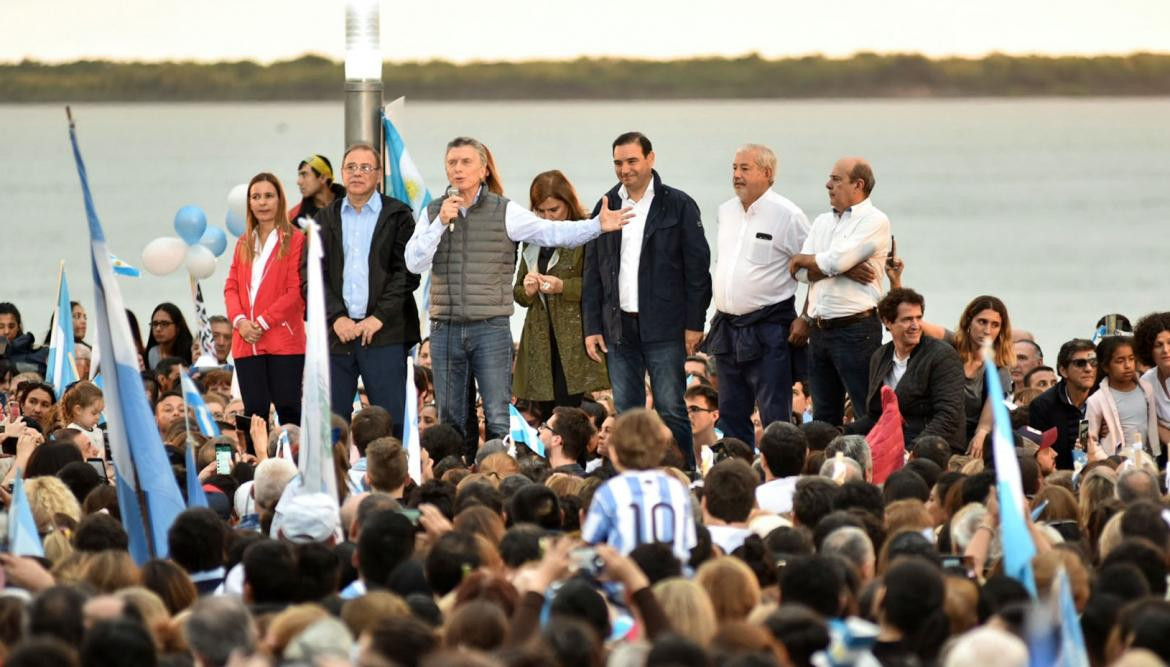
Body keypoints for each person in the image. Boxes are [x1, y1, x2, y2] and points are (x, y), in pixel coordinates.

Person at [405, 137, 630, 441]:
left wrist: (597, 226)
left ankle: (497, 473)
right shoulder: (434, 212)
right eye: (452, 163)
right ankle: (459, 474)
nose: (458, 169)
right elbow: (414, 262)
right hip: (444, 328)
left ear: (484, 170)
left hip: (490, 328)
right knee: (452, 415)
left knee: (498, 415)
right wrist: (440, 224)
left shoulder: (505, 211)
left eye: (466, 162)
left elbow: (552, 232)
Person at [582, 131, 712, 471]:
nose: (625, 169)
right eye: (618, 163)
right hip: (618, 326)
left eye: (632, 161)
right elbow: (594, 270)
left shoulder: (678, 204)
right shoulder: (606, 204)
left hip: (665, 325)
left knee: (670, 407)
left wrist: (694, 323)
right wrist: (592, 326)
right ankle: (632, 473)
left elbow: (698, 268)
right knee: (627, 410)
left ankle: (684, 473)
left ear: (650, 159)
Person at [705, 144, 809, 444]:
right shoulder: (725, 211)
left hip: (769, 327)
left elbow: (815, 271)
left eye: (744, 169)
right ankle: (738, 478)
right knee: (730, 411)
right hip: (727, 326)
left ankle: (779, 477)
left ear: (767, 173)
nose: (736, 175)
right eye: (734, 168)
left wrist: (806, 317)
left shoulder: (789, 215)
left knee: (774, 412)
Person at [318, 143, 421, 437]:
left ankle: (395, 480)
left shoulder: (398, 215)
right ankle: (335, 481)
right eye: (351, 167)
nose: (357, 173)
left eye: (365, 167)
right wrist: (337, 317)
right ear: (342, 173)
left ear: (378, 175)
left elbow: (408, 273)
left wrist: (378, 318)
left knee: (391, 424)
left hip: (384, 334)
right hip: (338, 336)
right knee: (332, 428)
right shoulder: (324, 218)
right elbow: (312, 276)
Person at [788, 157, 891, 427]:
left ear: (858, 185)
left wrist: (808, 260)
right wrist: (842, 268)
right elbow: (799, 274)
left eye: (835, 179)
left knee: (866, 411)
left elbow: (828, 262)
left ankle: (871, 468)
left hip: (856, 329)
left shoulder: (875, 220)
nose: (828, 184)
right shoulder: (823, 221)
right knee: (824, 417)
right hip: (820, 330)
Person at [512, 170, 610, 416]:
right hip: (540, 339)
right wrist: (528, 290)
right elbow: (518, 294)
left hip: (575, 338)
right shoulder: (531, 236)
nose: (547, 218)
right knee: (545, 412)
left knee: (568, 410)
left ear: (569, 203)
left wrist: (562, 287)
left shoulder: (586, 231)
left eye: (553, 210)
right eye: (540, 211)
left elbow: (601, 285)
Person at [224, 172, 307, 426]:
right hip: (246, 340)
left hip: (283, 338)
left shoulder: (296, 240)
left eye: (268, 196)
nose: (262, 202)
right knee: (254, 413)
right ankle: (254, 464)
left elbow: (296, 291)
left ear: (280, 200)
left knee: (288, 408)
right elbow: (231, 287)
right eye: (256, 197)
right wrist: (240, 322)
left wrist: (260, 322)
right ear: (249, 203)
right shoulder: (243, 243)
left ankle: (292, 463)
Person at [847, 288, 965, 452]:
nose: (916, 325)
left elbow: (948, 416)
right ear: (887, 322)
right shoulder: (880, 357)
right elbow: (876, 416)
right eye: (908, 319)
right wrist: (843, 432)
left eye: (918, 318)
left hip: (934, 446)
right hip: (894, 440)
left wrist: (912, 451)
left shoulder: (942, 355)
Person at [581, 409, 696, 562]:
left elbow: (589, 542)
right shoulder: (677, 489)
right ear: (662, 450)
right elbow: (688, 544)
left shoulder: (610, 491)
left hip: (625, 580)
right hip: (673, 577)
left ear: (614, 452)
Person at [948, 296, 1014, 456]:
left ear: (1001, 331)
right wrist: (896, 281)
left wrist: (982, 434)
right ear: (969, 321)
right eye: (982, 322)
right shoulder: (949, 347)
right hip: (939, 428)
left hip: (969, 436)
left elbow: (984, 425)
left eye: (995, 325)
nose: (987, 331)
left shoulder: (999, 369)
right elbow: (914, 323)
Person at [1085, 336, 1159, 459]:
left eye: (1131, 359)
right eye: (1120, 361)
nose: (1128, 365)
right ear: (1105, 366)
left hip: (1147, 461)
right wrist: (1110, 463)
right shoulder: (1095, 400)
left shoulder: (1147, 389)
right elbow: (1088, 439)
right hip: (1116, 465)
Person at [1028, 339, 1096, 470]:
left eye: (1093, 362)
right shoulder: (1042, 406)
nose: (1089, 369)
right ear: (1063, 371)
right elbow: (1043, 456)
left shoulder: (1103, 398)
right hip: (1060, 479)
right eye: (1080, 363)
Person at [1134, 312, 1170, 451]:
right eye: (1158, 345)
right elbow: (1148, 422)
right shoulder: (1146, 381)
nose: (1165, 350)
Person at [289, 154, 345, 223]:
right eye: (299, 175)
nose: (299, 182)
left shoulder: (353, 205)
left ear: (323, 178)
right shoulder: (293, 216)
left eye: (304, 174)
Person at [0, 302, 48, 376]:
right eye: (1, 327)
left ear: (19, 327)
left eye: (11, 326)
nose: (6, 331)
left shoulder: (38, 353)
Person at [144, 303, 194, 368]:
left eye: (164, 324)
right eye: (155, 324)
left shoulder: (192, 352)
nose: (158, 329)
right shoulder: (152, 353)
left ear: (178, 327)